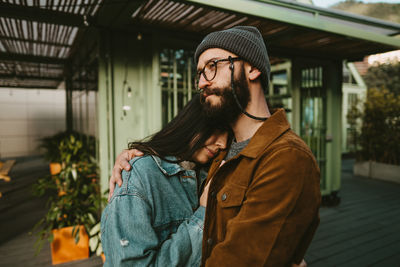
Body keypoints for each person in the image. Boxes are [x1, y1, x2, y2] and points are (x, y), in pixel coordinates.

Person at [109, 26, 321, 267]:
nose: (201, 82)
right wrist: (135, 159)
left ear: (252, 68)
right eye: (199, 73)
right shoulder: (221, 152)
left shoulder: (287, 157)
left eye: (212, 66)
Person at [101, 94, 229, 266]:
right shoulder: (139, 176)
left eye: (230, 135)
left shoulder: (208, 171)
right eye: (218, 129)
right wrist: (204, 213)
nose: (223, 143)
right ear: (192, 123)